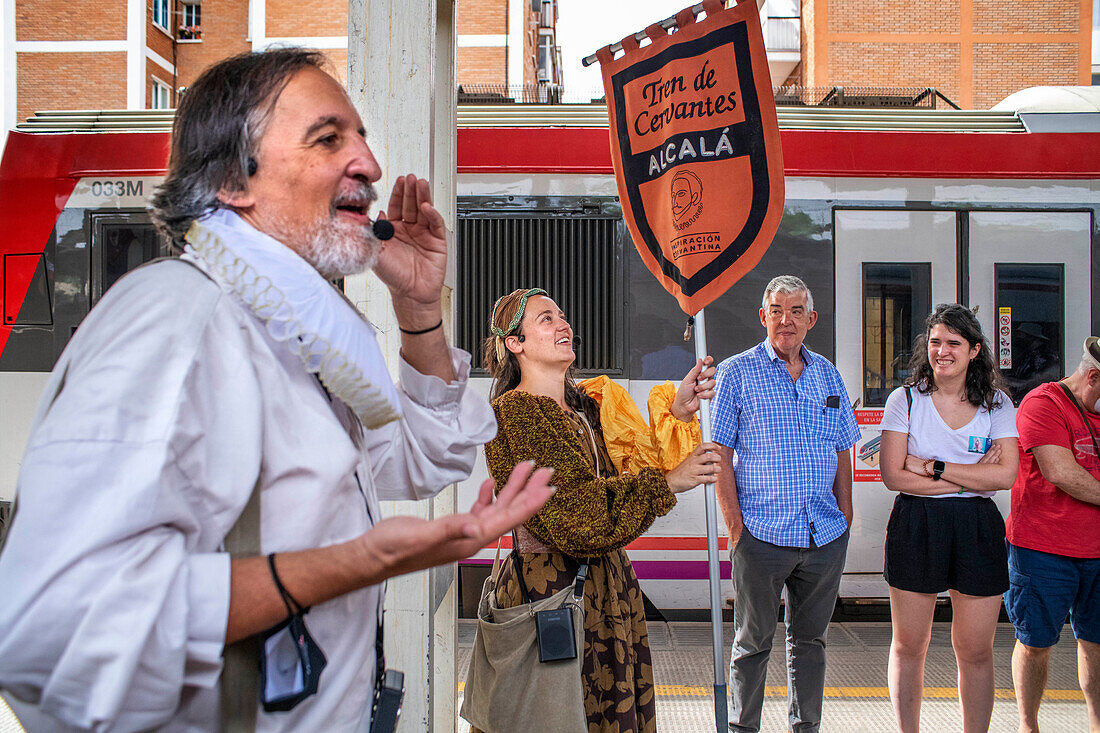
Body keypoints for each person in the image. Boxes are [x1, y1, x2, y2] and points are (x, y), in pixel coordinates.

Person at [0, 49, 555, 731]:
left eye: (362, 138)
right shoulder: (178, 320)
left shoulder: (294, 332)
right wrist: (348, 563)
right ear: (236, 179)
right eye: (329, 138)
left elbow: (423, 461)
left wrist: (419, 309)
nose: (371, 166)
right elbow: (55, 634)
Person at [470, 287, 721, 733]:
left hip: (605, 593)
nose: (563, 324)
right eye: (546, 319)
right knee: (552, 714)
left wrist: (679, 412)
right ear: (516, 343)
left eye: (562, 316)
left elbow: (637, 467)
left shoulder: (590, 406)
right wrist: (667, 481)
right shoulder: (516, 414)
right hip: (549, 593)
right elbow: (578, 519)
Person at [712, 275, 860, 733]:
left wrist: (845, 518)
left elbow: (842, 450)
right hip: (760, 535)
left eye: (796, 311)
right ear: (763, 317)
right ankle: (743, 728)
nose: (785, 320)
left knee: (810, 642)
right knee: (752, 642)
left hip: (823, 535)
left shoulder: (828, 374)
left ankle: (806, 727)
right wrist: (736, 528)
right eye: (776, 310)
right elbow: (720, 454)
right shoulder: (737, 372)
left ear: (811, 319)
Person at [878, 304, 1018, 733]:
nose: (943, 351)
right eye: (936, 341)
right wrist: (973, 478)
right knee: (908, 645)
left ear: (974, 350)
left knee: (975, 650)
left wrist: (933, 467)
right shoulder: (904, 400)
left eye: (954, 343)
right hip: (916, 522)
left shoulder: (997, 404)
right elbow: (891, 474)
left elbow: (1006, 475)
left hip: (977, 527)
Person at [1004, 336, 1100, 733]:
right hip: (1043, 549)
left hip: (1096, 552)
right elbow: (1061, 472)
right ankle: (1029, 726)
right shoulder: (1044, 404)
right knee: (1036, 642)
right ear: (1093, 376)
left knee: (1096, 643)